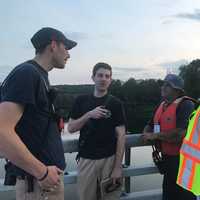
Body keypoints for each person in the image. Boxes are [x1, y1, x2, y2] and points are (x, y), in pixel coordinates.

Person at [0, 27, 77, 200]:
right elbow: (1, 131)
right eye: (66, 47)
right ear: (53, 45)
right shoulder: (27, 74)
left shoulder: (38, 75)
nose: (69, 54)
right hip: (38, 184)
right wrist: (42, 173)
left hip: (44, 183)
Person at [68, 62, 126, 200]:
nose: (103, 79)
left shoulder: (116, 104)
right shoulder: (81, 101)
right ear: (93, 77)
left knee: (110, 197)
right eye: (100, 75)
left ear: (110, 80)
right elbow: (70, 128)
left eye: (107, 76)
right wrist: (89, 115)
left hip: (109, 160)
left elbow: (121, 136)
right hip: (86, 159)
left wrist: (117, 167)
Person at [142, 74, 196, 200]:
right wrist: (145, 133)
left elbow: (179, 135)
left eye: (168, 85)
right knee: (168, 194)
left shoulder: (186, 105)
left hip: (183, 161)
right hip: (167, 159)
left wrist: (154, 135)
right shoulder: (162, 104)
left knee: (184, 195)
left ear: (178, 90)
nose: (163, 87)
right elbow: (150, 124)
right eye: (163, 84)